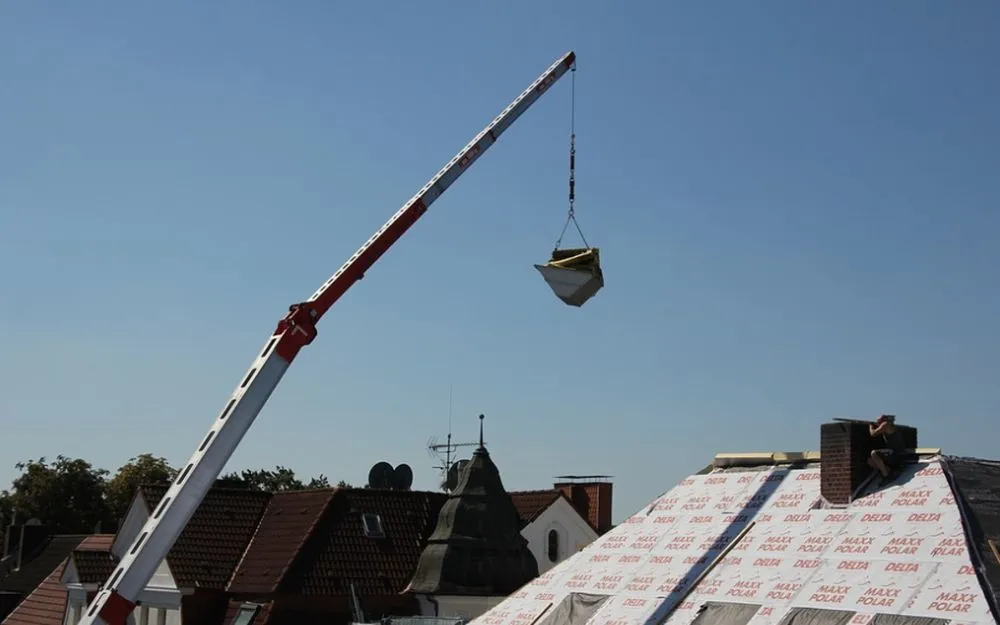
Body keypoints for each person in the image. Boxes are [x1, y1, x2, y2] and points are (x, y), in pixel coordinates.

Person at [868, 414, 905, 479]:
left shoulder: (885, 424)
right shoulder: (890, 425)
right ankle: (888, 470)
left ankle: (886, 476)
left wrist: (870, 426)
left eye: (878, 422)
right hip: (893, 454)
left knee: (874, 453)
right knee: (870, 461)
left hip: (895, 453)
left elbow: (873, 434)